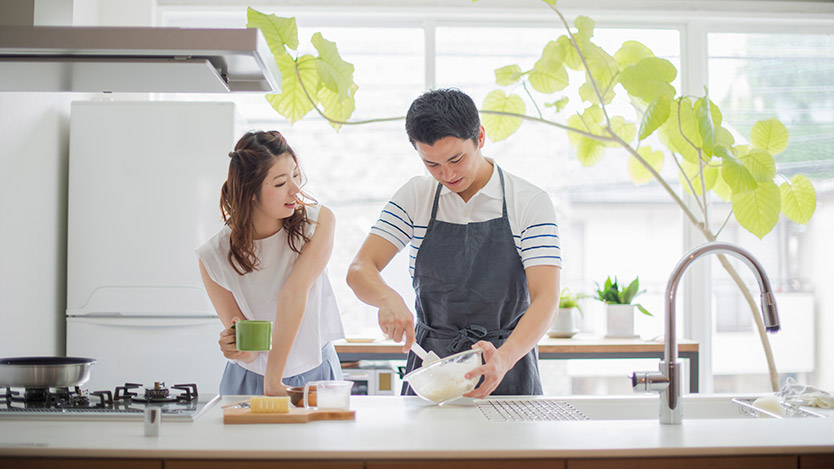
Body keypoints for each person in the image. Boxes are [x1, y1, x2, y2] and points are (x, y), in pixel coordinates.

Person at [346, 88, 561, 397]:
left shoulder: (528, 201)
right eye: (431, 165)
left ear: (480, 137)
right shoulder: (416, 196)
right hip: (432, 369)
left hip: (506, 366)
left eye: (456, 159)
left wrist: (505, 358)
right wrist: (386, 298)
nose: (447, 174)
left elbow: (547, 300)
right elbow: (359, 268)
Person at [197, 130, 345, 396]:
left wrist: (273, 382)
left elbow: (293, 294)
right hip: (249, 380)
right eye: (280, 183)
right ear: (250, 192)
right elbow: (251, 351)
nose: (296, 190)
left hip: (316, 373)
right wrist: (236, 346)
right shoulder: (214, 256)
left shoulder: (317, 223)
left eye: (295, 176)